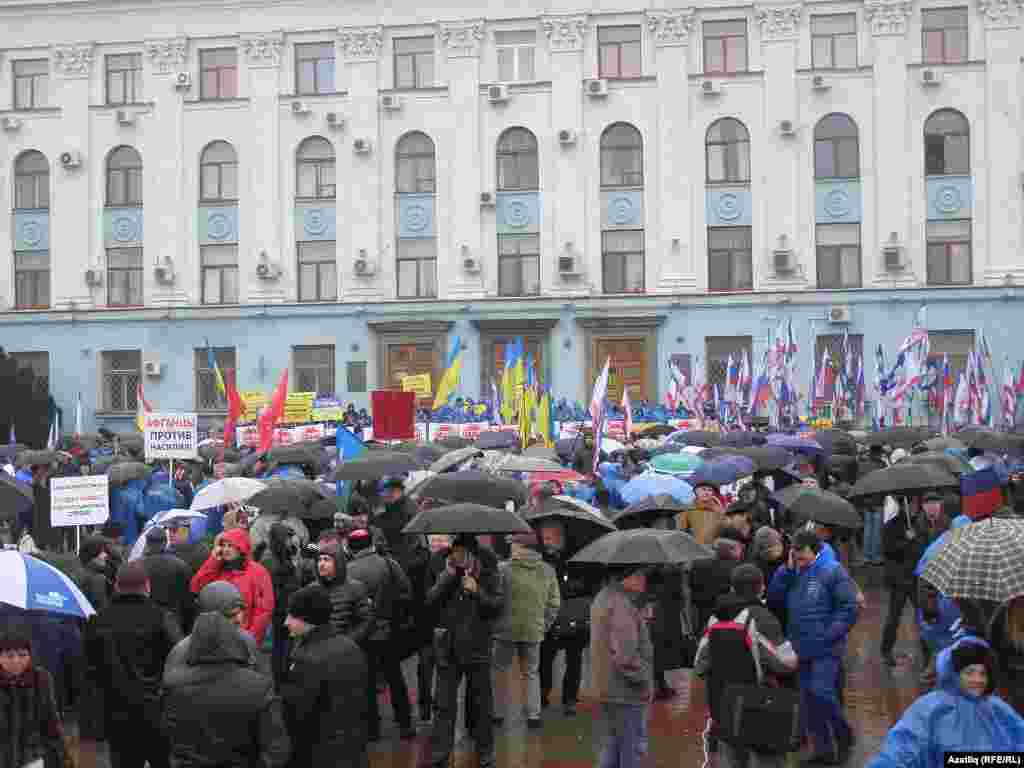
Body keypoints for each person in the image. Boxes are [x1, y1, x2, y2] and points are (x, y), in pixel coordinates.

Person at [695, 564, 799, 768]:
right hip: (758, 706)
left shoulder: (715, 617)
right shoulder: (762, 617)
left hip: (722, 706)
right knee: (767, 760)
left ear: (732, 587)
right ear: (761, 588)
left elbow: (700, 664)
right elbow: (786, 663)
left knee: (731, 758)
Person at [768, 530, 858, 765]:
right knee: (808, 701)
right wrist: (786, 572)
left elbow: (848, 608)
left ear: (814, 550)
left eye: (801, 552)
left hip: (826, 648)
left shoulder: (833, 571)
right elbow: (774, 599)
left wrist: (830, 634)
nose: (797, 556)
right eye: (794, 552)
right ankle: (823, 750)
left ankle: (843, 734)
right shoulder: (791, 572)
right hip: (800, 646)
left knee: (821, 692)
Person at [867, 636, 1024, 765]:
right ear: (955, 673)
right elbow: (902, 749)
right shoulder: (931, 708)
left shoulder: (997, 708)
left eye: (983, 673)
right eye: (969, 672)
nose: (977, 680)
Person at [85, 560, 182, 768]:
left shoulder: (99, 620)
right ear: (147, 586)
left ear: (116, 586)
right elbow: (178, 658)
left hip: (116, 713)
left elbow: (90, 669)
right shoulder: (162, 617)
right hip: (156, 711)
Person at [162, 612, 290, 768]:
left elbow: (168, 738)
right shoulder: (259, 687)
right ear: (234, 642)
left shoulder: (174, 686)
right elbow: (276, 750)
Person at [423, 534, 504, 768]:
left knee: (481, 703)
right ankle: (440, 754)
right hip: (447, 647)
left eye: (461, 554)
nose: (455, 558)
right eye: (453, 553)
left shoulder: (489, 571)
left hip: (478, 647)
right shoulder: (442, 568)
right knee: (443, 704)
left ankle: (485, 751)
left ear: (472, 554)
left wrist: (477, 591)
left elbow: (497, 606)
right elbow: (428, 601)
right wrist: (446, 578)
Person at [281, 584, 370, 768]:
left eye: (292, 616)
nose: (286, 622)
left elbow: (297, 716)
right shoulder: (351, 647)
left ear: (308, 619)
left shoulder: (306, 659)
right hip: (353, 750)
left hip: (319, 754)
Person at [344, 527, 415, 740]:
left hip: (363, 634)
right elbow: (407, 590)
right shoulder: (389, 564)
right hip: (388, 630)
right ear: (371, 544)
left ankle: (372, 729)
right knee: (395, 678)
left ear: (351, 548)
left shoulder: (348, 570)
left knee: (367, 682)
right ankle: (405, 723)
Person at [493, 529, 560, 729]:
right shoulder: (548, 570)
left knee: (499, 671)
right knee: (531, 673)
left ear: (521, 547)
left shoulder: (503, 569)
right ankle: (533, 715)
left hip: (504, 630)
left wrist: (495, 623)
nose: (510, 547)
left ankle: (497, 713)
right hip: (534, 630)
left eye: (513, 544)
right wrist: (543, 625)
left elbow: (496, 599)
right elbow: (554, 603)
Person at [589, 567, 654, 768]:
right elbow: (626, 656)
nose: (644, 579)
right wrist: (644, 679)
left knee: (613, 747)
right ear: (626, 577)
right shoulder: (620, 606)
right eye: (639, 574)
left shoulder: (604, 597)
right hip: (625, 691)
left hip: (608, 686)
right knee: (630, 750)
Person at [538, 521, 591, 716]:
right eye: (544, 538)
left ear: (561, 537)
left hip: (574, 617)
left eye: (551, 538)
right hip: (550, 617)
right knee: (545, 659)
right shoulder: (541, 559)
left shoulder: (578, 557)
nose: (547, 542)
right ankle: (542, 694)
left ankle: (570, 699)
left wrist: (570, 585)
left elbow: (586, 584)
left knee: (574, 660)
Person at [190, 527, 274, 646]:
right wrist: (213, 561)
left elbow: (264, 610)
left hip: (242, 639)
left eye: (230, 546)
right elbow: (196, 587)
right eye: (223, 545)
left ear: (241, 548)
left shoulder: (258, 572)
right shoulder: (217, 568)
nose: (225, 549)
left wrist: (250, 638)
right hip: (215, 638)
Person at [0, 630, 67, 768]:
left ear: (30, 656)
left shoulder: (41, 678)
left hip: (33, 757)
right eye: (9, 656)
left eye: (22, 655)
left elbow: (51, 719)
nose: (16, 661)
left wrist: (61, 754)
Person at [164, 581, 257, 670]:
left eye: (241, 611)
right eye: (230, 615)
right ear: (209, 616)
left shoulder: (247, 642)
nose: (239, 620)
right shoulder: (182, 652)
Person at [880, 495, 926, 666]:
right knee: (894, 617)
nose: (914, 507)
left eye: (915, 504)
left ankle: (927, 650)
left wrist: (914, 540)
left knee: (923, 615)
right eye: (911, 504)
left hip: (914, 576)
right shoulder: (891, 525)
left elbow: (921, 548)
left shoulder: (916, 523)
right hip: (899, 578)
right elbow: (888, 550)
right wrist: (907, 540)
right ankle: (886, 650)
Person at [259, 522, 301, 690]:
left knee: (286, 645)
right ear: (279, 539)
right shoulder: (270, 559)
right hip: (280, 610)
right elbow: (273, 588)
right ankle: (280, 682)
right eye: (287, 538)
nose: (290, 541)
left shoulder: (282, 554)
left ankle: (283, 679)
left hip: (286, 608)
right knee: (280, 647)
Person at [313, 535, 375, 648]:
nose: (321, 564)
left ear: (338, 562)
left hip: (345, 649)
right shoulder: (312, 589)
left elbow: (366, 621)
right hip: (318, 650)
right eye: (319, 560)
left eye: (326, 559)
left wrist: (347, 642)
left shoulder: (355, 588)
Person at [141, 526, 194, 634]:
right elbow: (188, 600)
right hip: (174, 623)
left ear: (147, 543)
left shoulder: (136, 566)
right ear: (165, 542)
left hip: (145, 622)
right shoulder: (180, 565)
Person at [78, 535, 113, 613]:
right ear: (92, 554)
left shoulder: (80, 575)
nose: (105, 555)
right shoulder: (98, 579)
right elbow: (102, 610)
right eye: (102, 552)